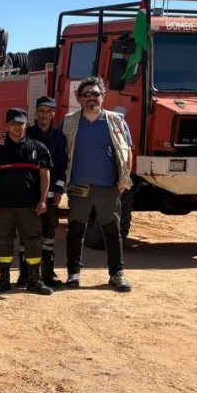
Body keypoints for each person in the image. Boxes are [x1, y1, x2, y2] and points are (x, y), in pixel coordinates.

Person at [62, 76, 134, 292]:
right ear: (79, 98)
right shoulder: (69, 122)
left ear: (103, 97)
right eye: (86, 95)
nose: (91, 98)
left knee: (112, 232)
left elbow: (127, 151)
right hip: (79, 187)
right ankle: (73, 274)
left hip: (108, 187)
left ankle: (117, 274)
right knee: (75, 231)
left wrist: (123, 181)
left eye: (95, 94)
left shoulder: (116, 121)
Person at [0, 108, 54, 295]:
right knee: (3, 241)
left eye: (20, 123)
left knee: (33, 242)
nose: (17, 127)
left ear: (26, 125)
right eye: (13, 123)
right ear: (7, 125)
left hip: (29, 206)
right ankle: (4, 279)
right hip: (3, 206)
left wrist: (43, 200)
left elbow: (45, 175)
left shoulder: (38, 147)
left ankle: (34, 280)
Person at [27, 95, 68, 287]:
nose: (44, 115)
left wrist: (59, 188)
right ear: (36, 113)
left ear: (53, 114)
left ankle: (48, 272)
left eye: (48, 112)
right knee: (28, 233)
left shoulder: (59, 138)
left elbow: (62, 165)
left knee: (49, 233)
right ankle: (27, 273)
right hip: (29, 193)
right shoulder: (27, 134)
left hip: (50, 195)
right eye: (41, 111)